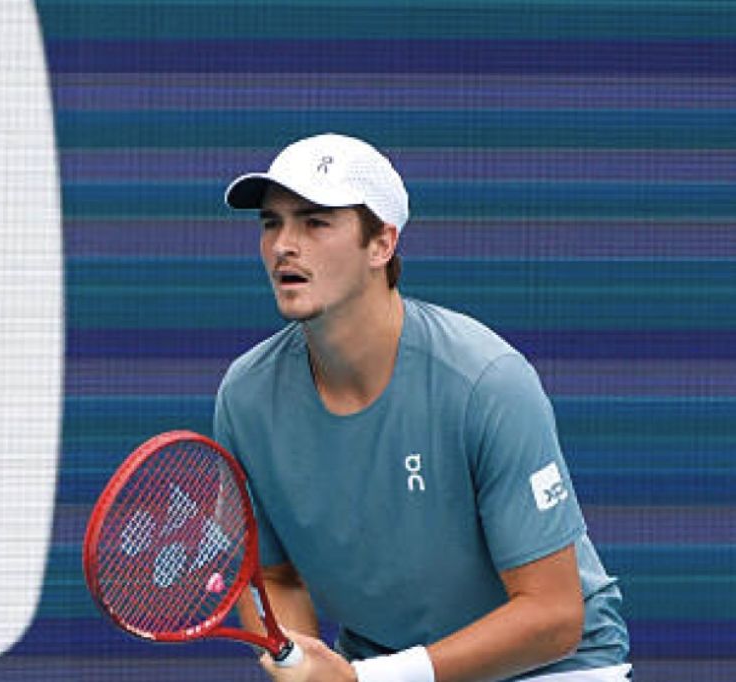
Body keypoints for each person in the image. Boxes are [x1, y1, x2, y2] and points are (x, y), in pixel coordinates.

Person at [213, 133, 631, 682]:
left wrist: (370, 680)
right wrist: (301, 661)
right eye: (272, 222)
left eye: (315, 222)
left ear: (381, 244)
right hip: (376, 662)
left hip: (552, 667)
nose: (284, 245)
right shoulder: (245, 398)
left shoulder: (485, 381)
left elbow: (553, 617)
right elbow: (275, 577)